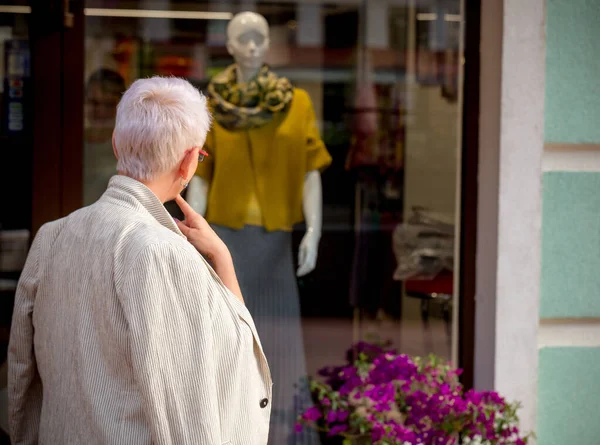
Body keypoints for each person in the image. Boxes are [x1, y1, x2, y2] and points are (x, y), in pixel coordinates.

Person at [8, 77, 272, 445]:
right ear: (187, 162)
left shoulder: (52, 236)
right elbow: (187, 411)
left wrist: (220, 257)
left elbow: (22, 375)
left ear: (116, 145)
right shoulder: (162, 253)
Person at [83, 68, 126, 205]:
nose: (100, 111)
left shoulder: (127, 146)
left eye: (108, 104)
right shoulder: (70, 143)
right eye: (94, 103)